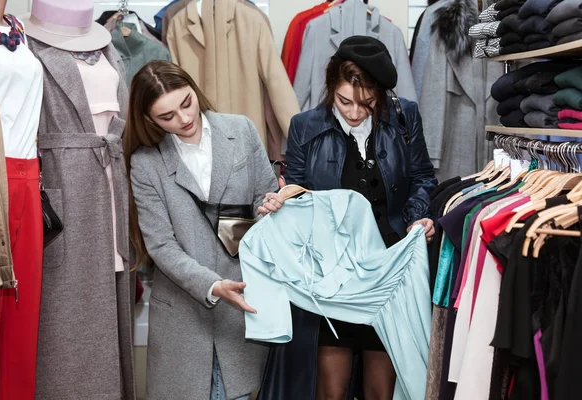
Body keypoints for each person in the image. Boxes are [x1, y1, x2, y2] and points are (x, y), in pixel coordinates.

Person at [259, 36, 438, 400]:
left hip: (388, 272)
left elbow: (422, 178)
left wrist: (418, 218)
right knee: (331, 391)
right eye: (345, 102)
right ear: (330, 89)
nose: (355, 112)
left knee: (381, 392)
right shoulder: (305, 126)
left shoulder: (405, 116)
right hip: (333, 277)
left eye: (367, 103)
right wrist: (279, 203)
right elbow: (297, 193)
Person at [124, 60, 278, 400]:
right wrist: (211, 285)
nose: (184, 119)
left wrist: (270, 208)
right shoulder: (145, 163)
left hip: (242, 305)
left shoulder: (241, 130)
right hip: (182, 317)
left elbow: (263, 199)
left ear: (195, 90)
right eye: (167, 117)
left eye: (187, 103)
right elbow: (161, 246)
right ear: (148, 119)